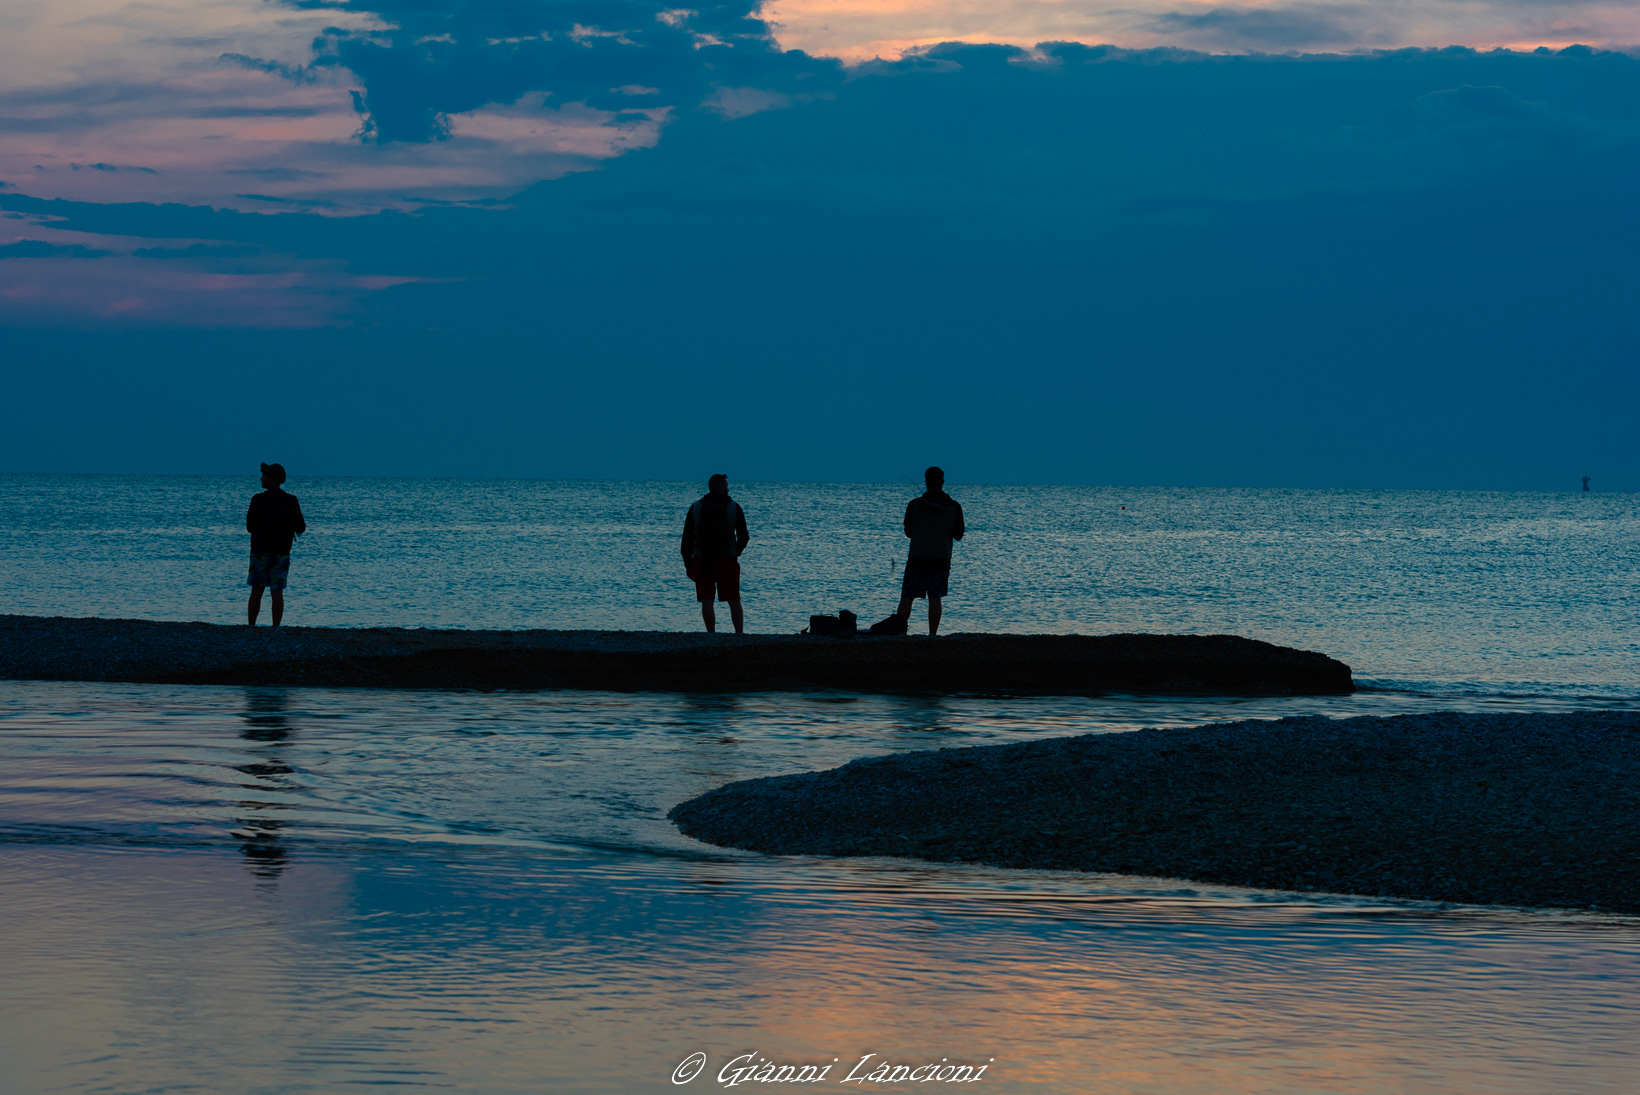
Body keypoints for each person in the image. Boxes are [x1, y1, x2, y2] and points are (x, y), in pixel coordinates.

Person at [896, 466, 965, 635]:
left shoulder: (914, 505)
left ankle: (899, 633)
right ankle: (932, 635)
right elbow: (958, 535)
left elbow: (908, 533)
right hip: (941, 559)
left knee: (907, 597)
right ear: (942, 482)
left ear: (926, 482)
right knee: (935, 597)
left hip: (917, 558)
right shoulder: (954, 507)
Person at [681, 474, 749, 634]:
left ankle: (711, 634)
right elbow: (744, 537)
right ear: (721, 487)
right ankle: (739, 634)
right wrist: (735, 553)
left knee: (707, 599)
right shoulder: (734, 507)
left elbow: (687, 540)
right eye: (727, 486)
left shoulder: (696, 507)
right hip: (727, 560)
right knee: (734, 599)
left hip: (702, 560)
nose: (728, 489)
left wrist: (689, 565)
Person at [246, 462, 306, 627]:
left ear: (271, 479)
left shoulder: (258, 499)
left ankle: (251, 626)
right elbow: (301, 527)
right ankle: (276, 628)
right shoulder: (291, 501)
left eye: (264, 476)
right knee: (277, 593)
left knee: (256, 591)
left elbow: (249, 527)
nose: (261, 478)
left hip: (260, 551)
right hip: (281, 552)